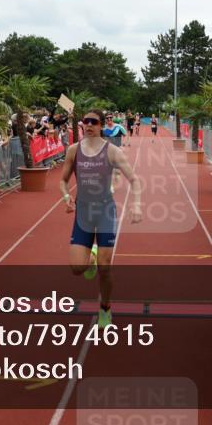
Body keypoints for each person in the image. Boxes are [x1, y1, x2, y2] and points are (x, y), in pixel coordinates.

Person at [59, 108, 142, 328]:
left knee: (105, 268)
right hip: (83, 213)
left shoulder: (113, 152)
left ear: (101, 126)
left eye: (93, 122)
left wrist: (136, 205)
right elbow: (63, 180)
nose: (88, 125)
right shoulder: (73, 151)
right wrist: (66, 196)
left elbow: (134, 180)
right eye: (85, 121)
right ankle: (91, 258)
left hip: (105, 212)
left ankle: (105, 307)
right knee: (77, 269)